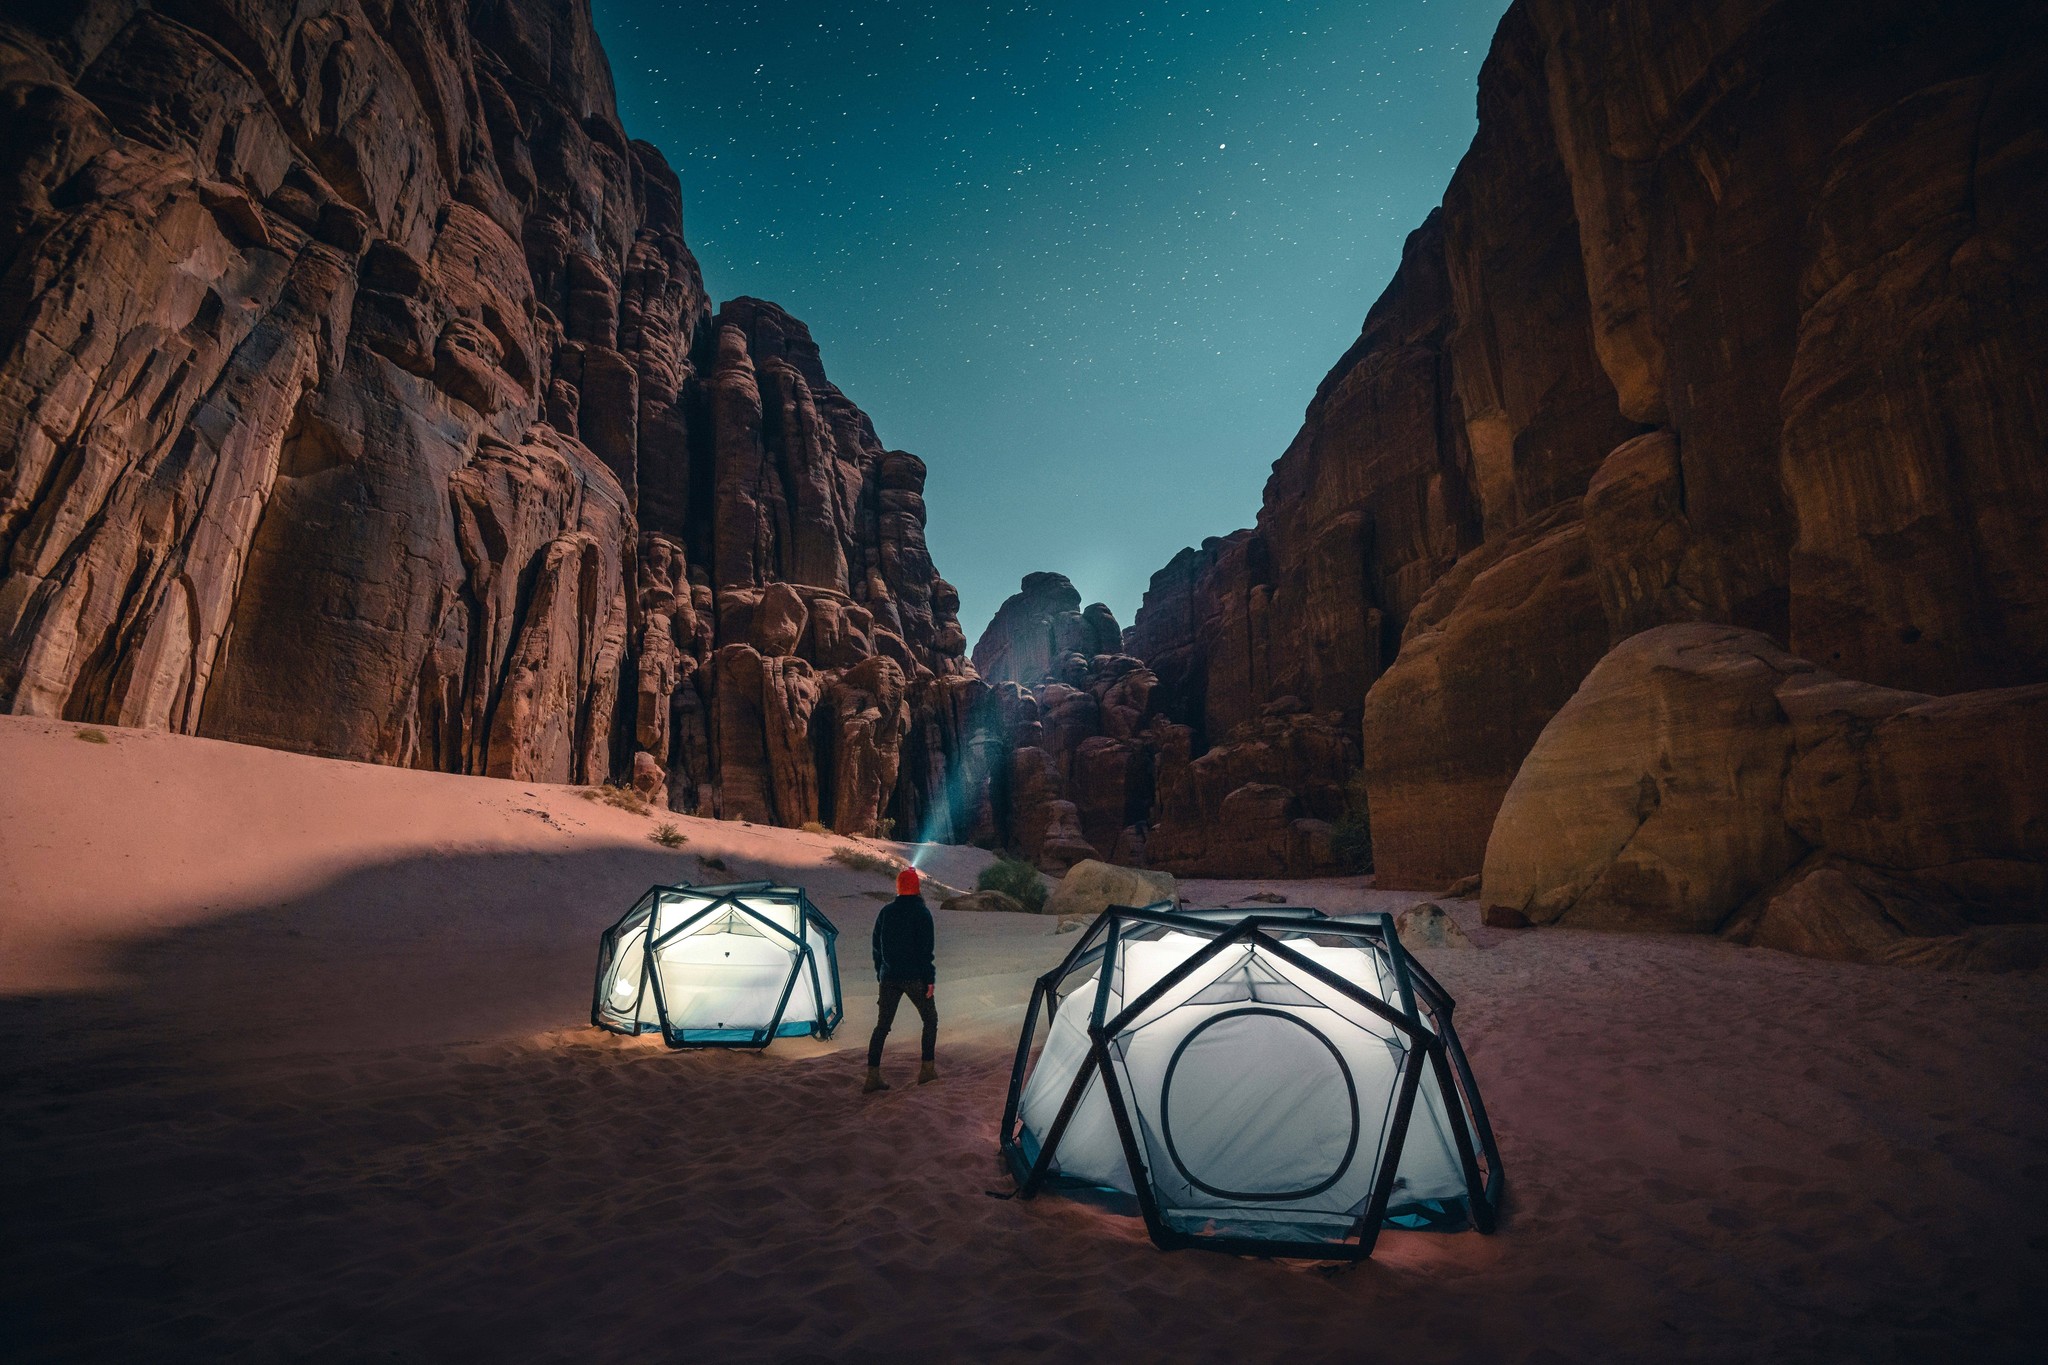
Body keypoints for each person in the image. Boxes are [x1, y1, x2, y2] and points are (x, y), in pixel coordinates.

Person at [865, 866, 937, 1092]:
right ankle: (927, 1070)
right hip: (914, 977)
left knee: (882, 1026)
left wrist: (880, 973)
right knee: (930, 1019)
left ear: (898, 887)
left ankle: (872, 1076)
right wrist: (929, 979)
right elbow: (925, 952)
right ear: (917, 888)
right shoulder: (922, 913)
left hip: (889, 977)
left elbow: (876, 947)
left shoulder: (886, 912)